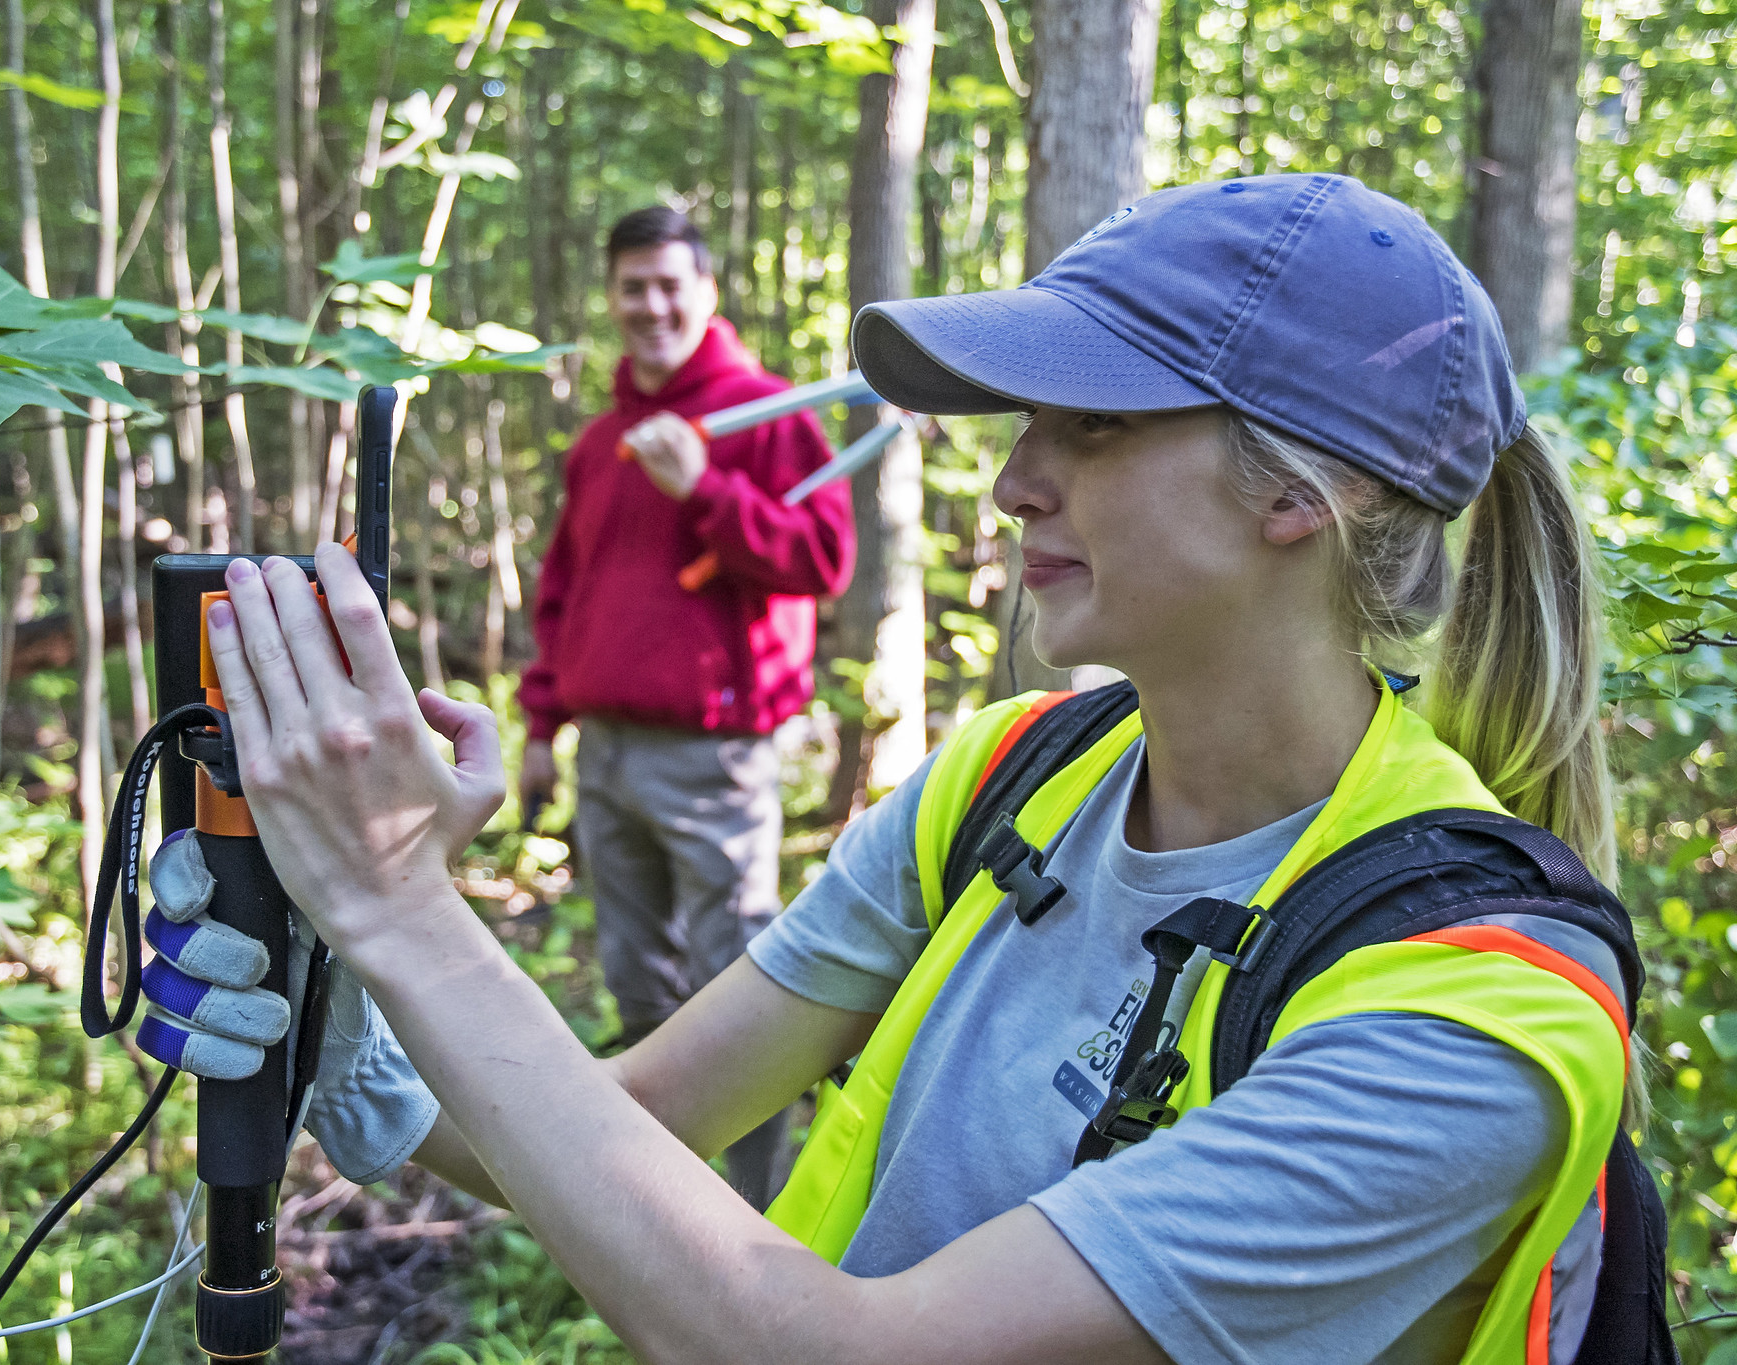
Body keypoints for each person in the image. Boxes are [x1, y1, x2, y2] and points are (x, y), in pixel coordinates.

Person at [143, 173, 1641, 1364]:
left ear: (1307, 491)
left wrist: (405, 902)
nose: (1013, 479)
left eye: (1096, 425)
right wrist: (363, 1026)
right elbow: (643, 1112)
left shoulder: (1473, 1009)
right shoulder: (1008, 781)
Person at [516, 206, 855, 1202]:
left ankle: (755, 1208)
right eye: (633, 287)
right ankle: (655, 1201)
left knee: (737, 992)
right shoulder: (599, 443)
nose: (651, 305)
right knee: (637, 984)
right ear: (612, 299)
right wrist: (541, 726)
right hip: (606, 753)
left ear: (705, 293)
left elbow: (820, 560)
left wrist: (706, 485)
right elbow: (562, 593)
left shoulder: (764, 415)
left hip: (715, 757)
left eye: (670, 284)